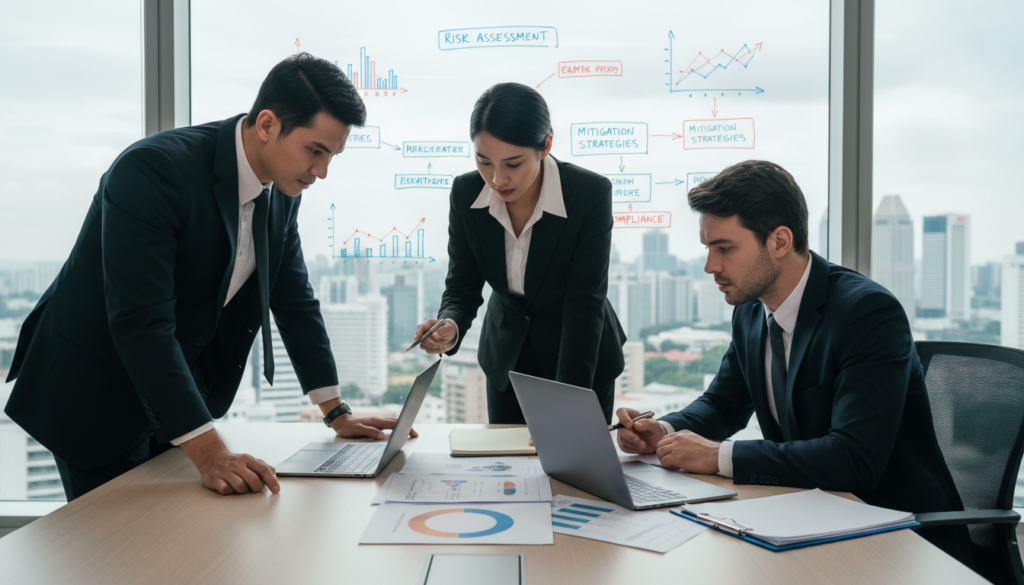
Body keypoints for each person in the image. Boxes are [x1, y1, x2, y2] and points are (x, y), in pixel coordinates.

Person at [4, 53, 415, 501]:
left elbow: (294, 299)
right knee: (116, 554)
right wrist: (210, 451)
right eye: (315, 151)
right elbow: (141, 322)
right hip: (92, 392)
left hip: (170, 395)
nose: (322, 171)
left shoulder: (281, 192)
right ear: (267, 124)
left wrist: (336, 411)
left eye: (332, 156)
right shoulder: (153, 171)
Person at [615, 160, 972, 565]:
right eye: (708, 248)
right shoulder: (751, 311)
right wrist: (662, 431)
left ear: (780, 241)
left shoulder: (867, 313)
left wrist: (718, 456)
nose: (710, 266)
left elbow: (855, 459)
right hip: (807, 517)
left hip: (897, 535)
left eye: (725, 248)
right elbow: (723, 404)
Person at [414, 82, 626, 424]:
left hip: (580, 359)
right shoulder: (466, 192)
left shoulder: (590, 193)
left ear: (545, 145)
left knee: (576, 468)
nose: (497, 179)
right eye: (484, 162)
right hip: (507, 358)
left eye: (513, 163)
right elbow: (462, 284)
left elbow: (585, 302)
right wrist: (450, 323)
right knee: (507, 471)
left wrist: (570, 404)